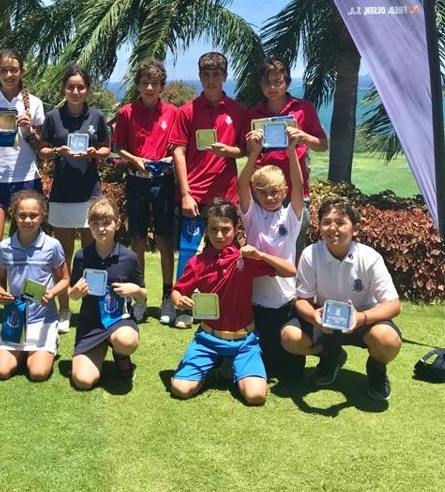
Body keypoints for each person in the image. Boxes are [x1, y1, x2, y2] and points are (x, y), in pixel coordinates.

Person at [170, 200, 296, 404]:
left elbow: (290, 271)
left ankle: (228, 364)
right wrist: (180, 300)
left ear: (236, 229)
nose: (219, 235)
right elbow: (177, 290)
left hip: (244, 341)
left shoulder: (245, 259)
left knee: (256, 396)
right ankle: (216, 363)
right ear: (206, 230)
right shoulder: (197, 263)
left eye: (225, 229)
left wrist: (261, 254)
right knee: (180, 389)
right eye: (213, 229)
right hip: (208, 339)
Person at [280, 197, 402, 401]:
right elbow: (302, 300)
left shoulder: (370, 257)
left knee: (388, 340)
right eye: (326, 222)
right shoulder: (311, 254)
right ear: (319, 226)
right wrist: (313, 317)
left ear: (354, 228)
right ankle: (330, 355)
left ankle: (376, 367)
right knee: (289, 337)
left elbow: (393, 305)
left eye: (340, 222)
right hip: (324, 320)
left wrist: (361, 318)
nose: (332, 228)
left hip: (364, 320)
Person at [169, 52, 247, 328]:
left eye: (216, 74)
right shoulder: (187, 110)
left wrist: (231, 151)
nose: (211, 80)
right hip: (195, 194)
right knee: (188, 250)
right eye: (206, 74)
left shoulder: (238, 111)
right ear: (200, 76)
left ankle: (224, 304)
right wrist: (186, 193)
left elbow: (246, 150)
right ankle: (183, 307)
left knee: (227, 253)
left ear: (225, 77)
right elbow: (178, 152)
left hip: (226, 195)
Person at [39, 64, 111, 334]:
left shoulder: (97, 116)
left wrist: (95, 153)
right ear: (64, 89)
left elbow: (107, 148)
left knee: (92, 254)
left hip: (90, 195)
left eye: (80, 87)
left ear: (87, 89)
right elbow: (43, 149)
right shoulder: (53, 117)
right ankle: (65, 308)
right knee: (63, 255)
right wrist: (57, 150)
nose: (75, 91)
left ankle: (92, 308)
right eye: (70, 87)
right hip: (62, 196)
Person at [112, 59, 177, 325]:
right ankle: (139, 298)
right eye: (145, 82)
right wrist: (134, 158)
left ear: (162, 87)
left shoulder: (173, 113)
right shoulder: (127, 112)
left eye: (155, 83)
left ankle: (167, 298)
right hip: (137, 180)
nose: (149, 87)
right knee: (137, 240)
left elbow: (178, 147)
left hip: (164, 182)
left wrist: (172, 159)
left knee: (164, 241)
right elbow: (118, 146)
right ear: (138, 86)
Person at [239, 130, 305, 378]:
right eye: (263, 192)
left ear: (284, 191)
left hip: (286, 302)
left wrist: (291, 153)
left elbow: (299, 186)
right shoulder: (252, 216)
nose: (269, 197)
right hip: (256, 304)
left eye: (275, 192)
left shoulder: (291, 216)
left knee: (292, 373)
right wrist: (253, 153)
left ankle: (329, 355)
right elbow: (241, 184)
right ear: (256, 193)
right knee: (263, 367)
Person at [246, 57, 328, 255]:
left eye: (278, 82)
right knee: (262, 250)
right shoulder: (253, 113)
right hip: (263, 193)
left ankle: (293, 287)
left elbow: (322, 145)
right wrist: (251, 143)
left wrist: (303, 136)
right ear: (260, 85)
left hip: (295, 193)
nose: (272, 87)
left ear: (288, 83)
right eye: (267, 82)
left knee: (294, 253)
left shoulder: (303, 108)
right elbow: (248, 152)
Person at [0, 48, 45, 260]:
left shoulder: (35, 103)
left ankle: (15, 289)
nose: (9, 75)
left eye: (13, 70)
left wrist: (28, 131)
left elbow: (41, 148)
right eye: (3, 70)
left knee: (21, 242)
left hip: (27, 178)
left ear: (21, 71)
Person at [68, 197, 146, 389]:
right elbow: (71, 293)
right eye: (95, 223)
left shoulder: (129, 257)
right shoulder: (81, 256)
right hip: (90, 322)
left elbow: (143, 294)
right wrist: (75, 292)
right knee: (83, 381)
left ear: (117, 223)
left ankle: (121, 354)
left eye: (107, 223)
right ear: (89, 225)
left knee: (127, 341)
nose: (101, 229)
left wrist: (134, 289)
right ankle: (99, 348)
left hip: (119, 321)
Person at [0, 191, 70, 381]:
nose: (28, 220)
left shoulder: (52, 245)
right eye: (22, 215)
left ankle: (48, 342)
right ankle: (21, 352)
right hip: (15, 319)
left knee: (38, 373)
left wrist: (51, 294)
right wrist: (0, 292)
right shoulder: (4, 247)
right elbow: (0, 281)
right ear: (14, 215)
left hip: (43, 319)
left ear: (43, 216)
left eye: (34, 215)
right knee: (1, 372)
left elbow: (65, 279)